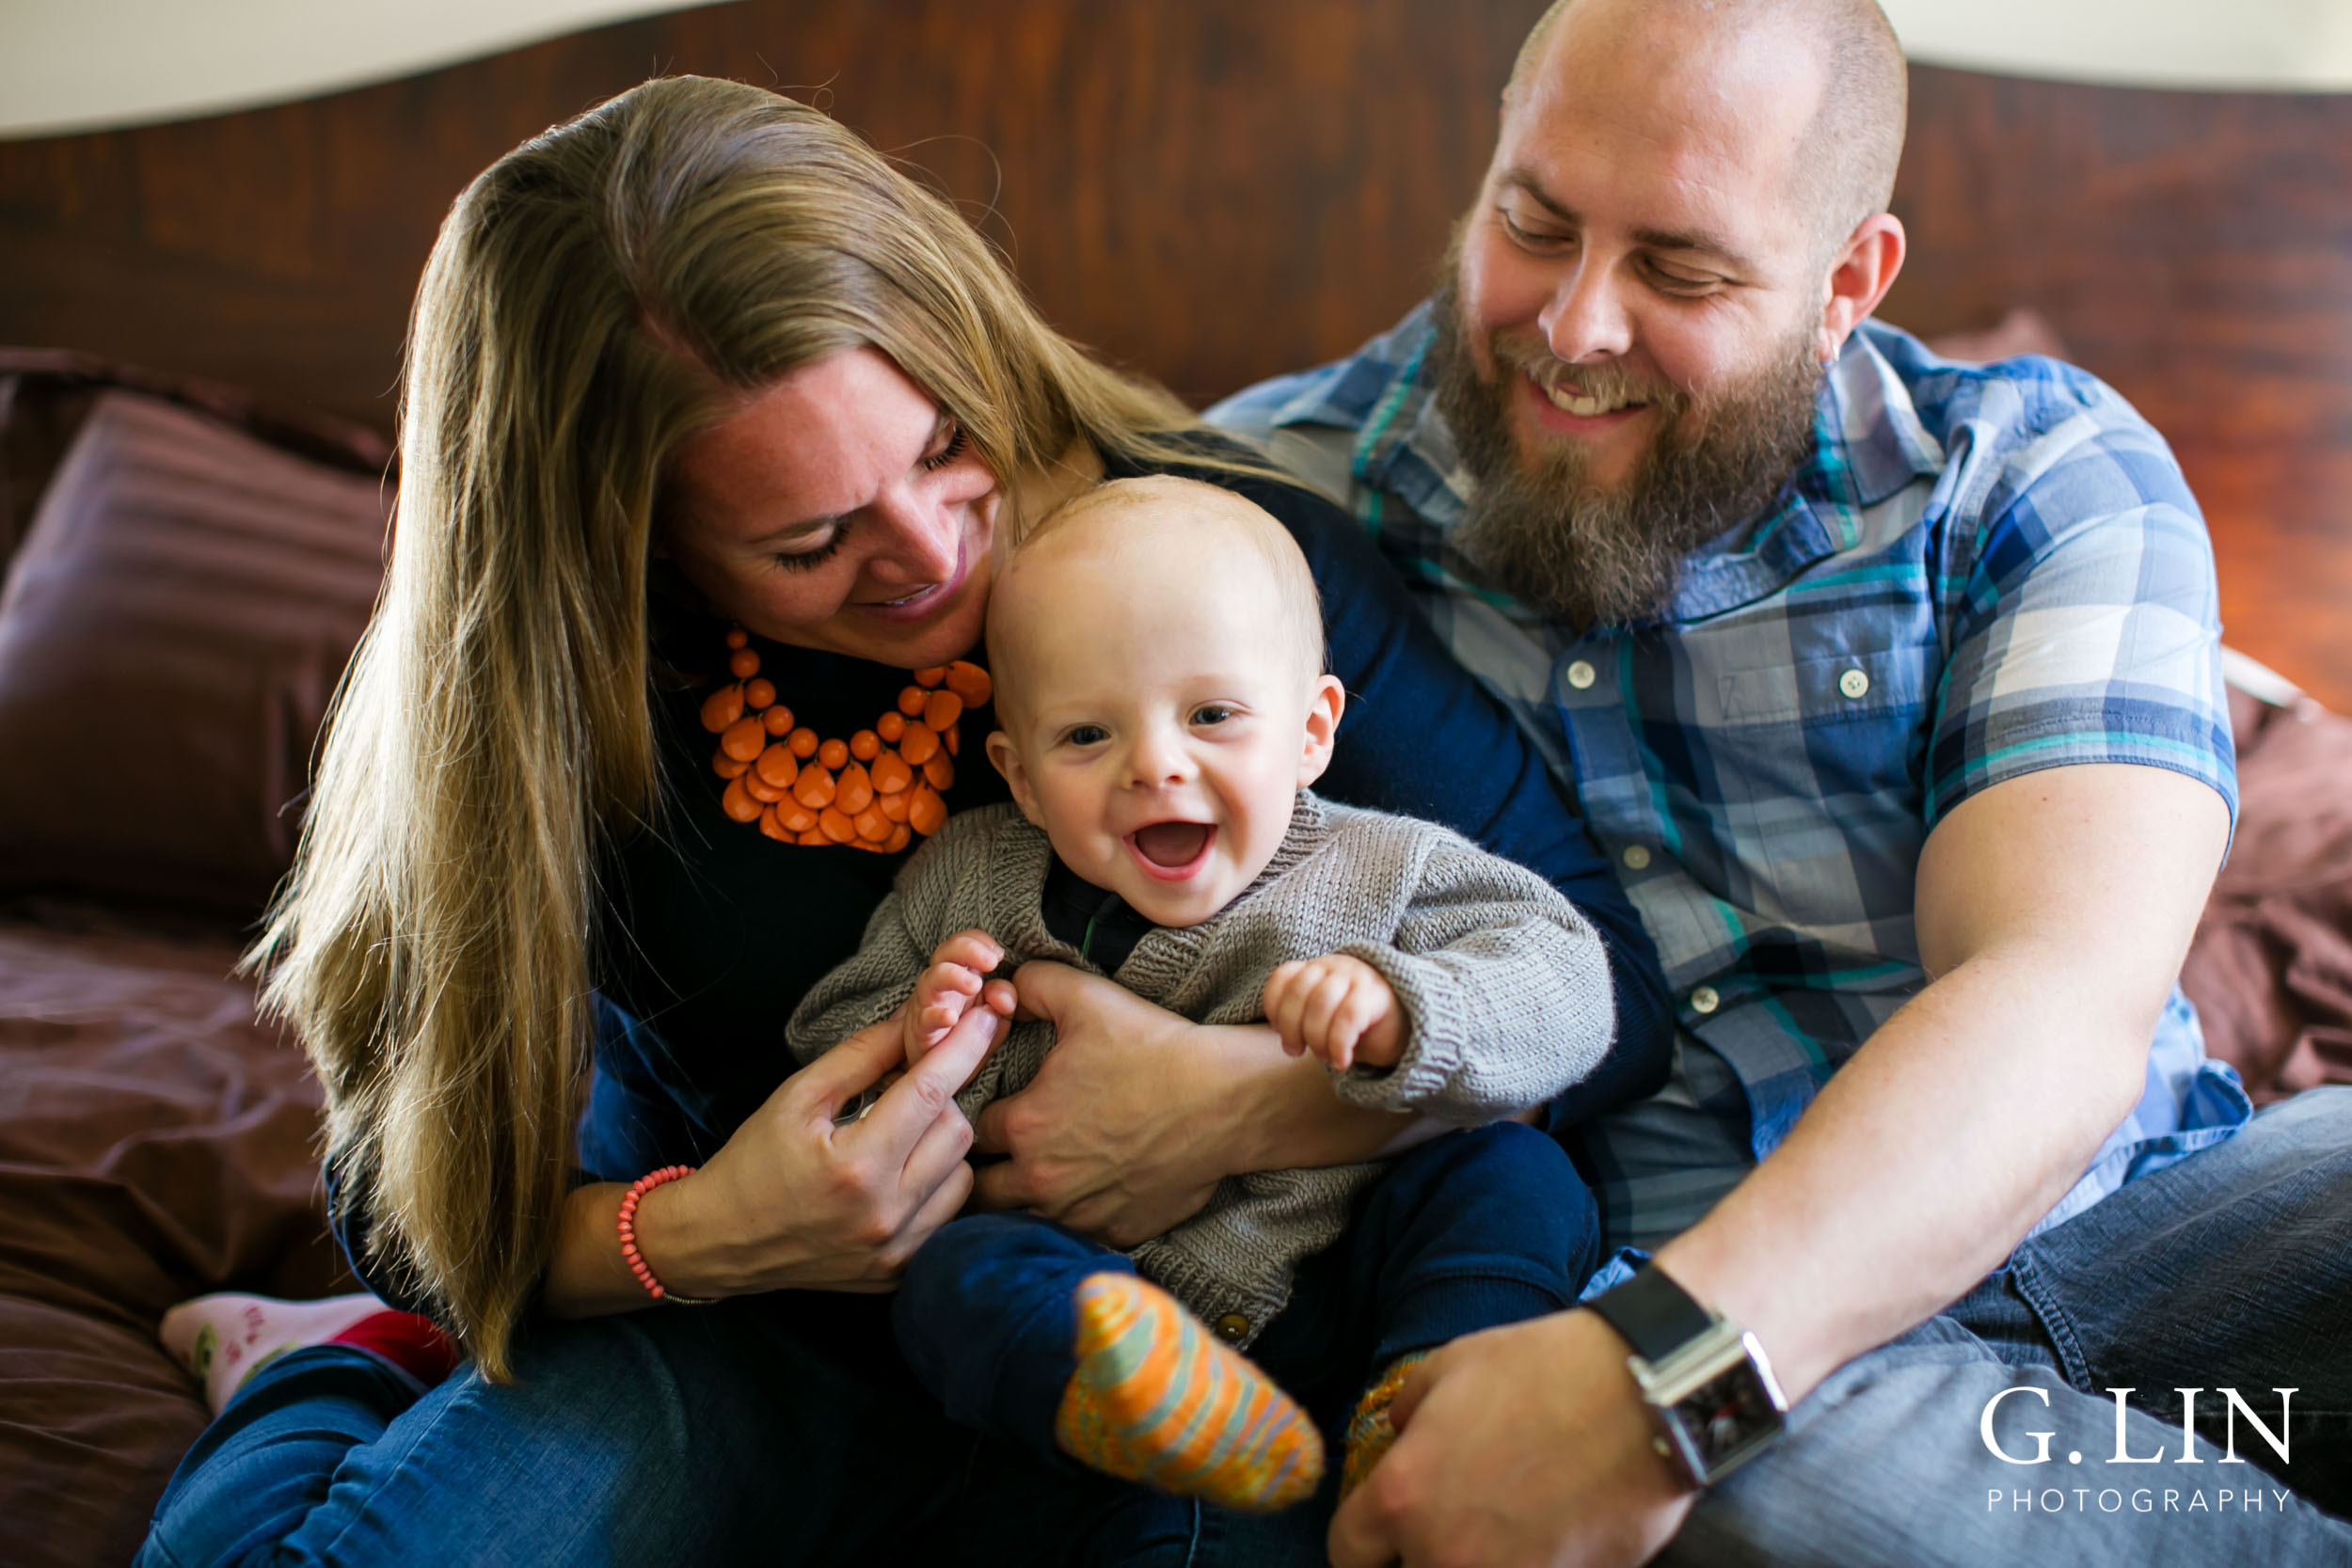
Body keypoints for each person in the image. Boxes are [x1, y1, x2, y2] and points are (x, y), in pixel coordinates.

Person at [135, 74, 1670, 1566]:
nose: (932, 552)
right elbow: (413, 1198)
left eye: (946, 447)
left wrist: (1230, 1101)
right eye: (812, 539)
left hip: (1230, 1338)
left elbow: (1608, 990)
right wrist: (714, 1229)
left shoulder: (1202, 572)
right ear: (636, 550)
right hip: (777, 1335)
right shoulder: (567, 703)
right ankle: (321, 1374)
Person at [1208, 0, 2352, 1562]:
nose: (1575, 326)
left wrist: (1670, 1385)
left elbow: (2057, 997)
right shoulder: (1257, 514)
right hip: (1687, 1316)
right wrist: (1670, 1385)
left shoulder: (2033, 475)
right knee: (1785, 1496)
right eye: (1533, 222)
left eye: (1679, 269)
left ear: (1848, 285)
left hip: (2149, 1228)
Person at [787, 474, 1644, 1517]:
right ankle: (1120, 1402)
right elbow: (827, 1051)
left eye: (1213, 714)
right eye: (1086, 736)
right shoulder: (966, 883)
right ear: (1016, 774)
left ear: (1312, 730)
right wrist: (920, 1036)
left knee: (1513, 1168)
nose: (1155, 764)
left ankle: (1440, 1389)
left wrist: (1404, 1006)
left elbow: (1574, 982)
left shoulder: (1386, 868)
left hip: (1358, 1265)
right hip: (1116, 1301)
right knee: (954, 1276)